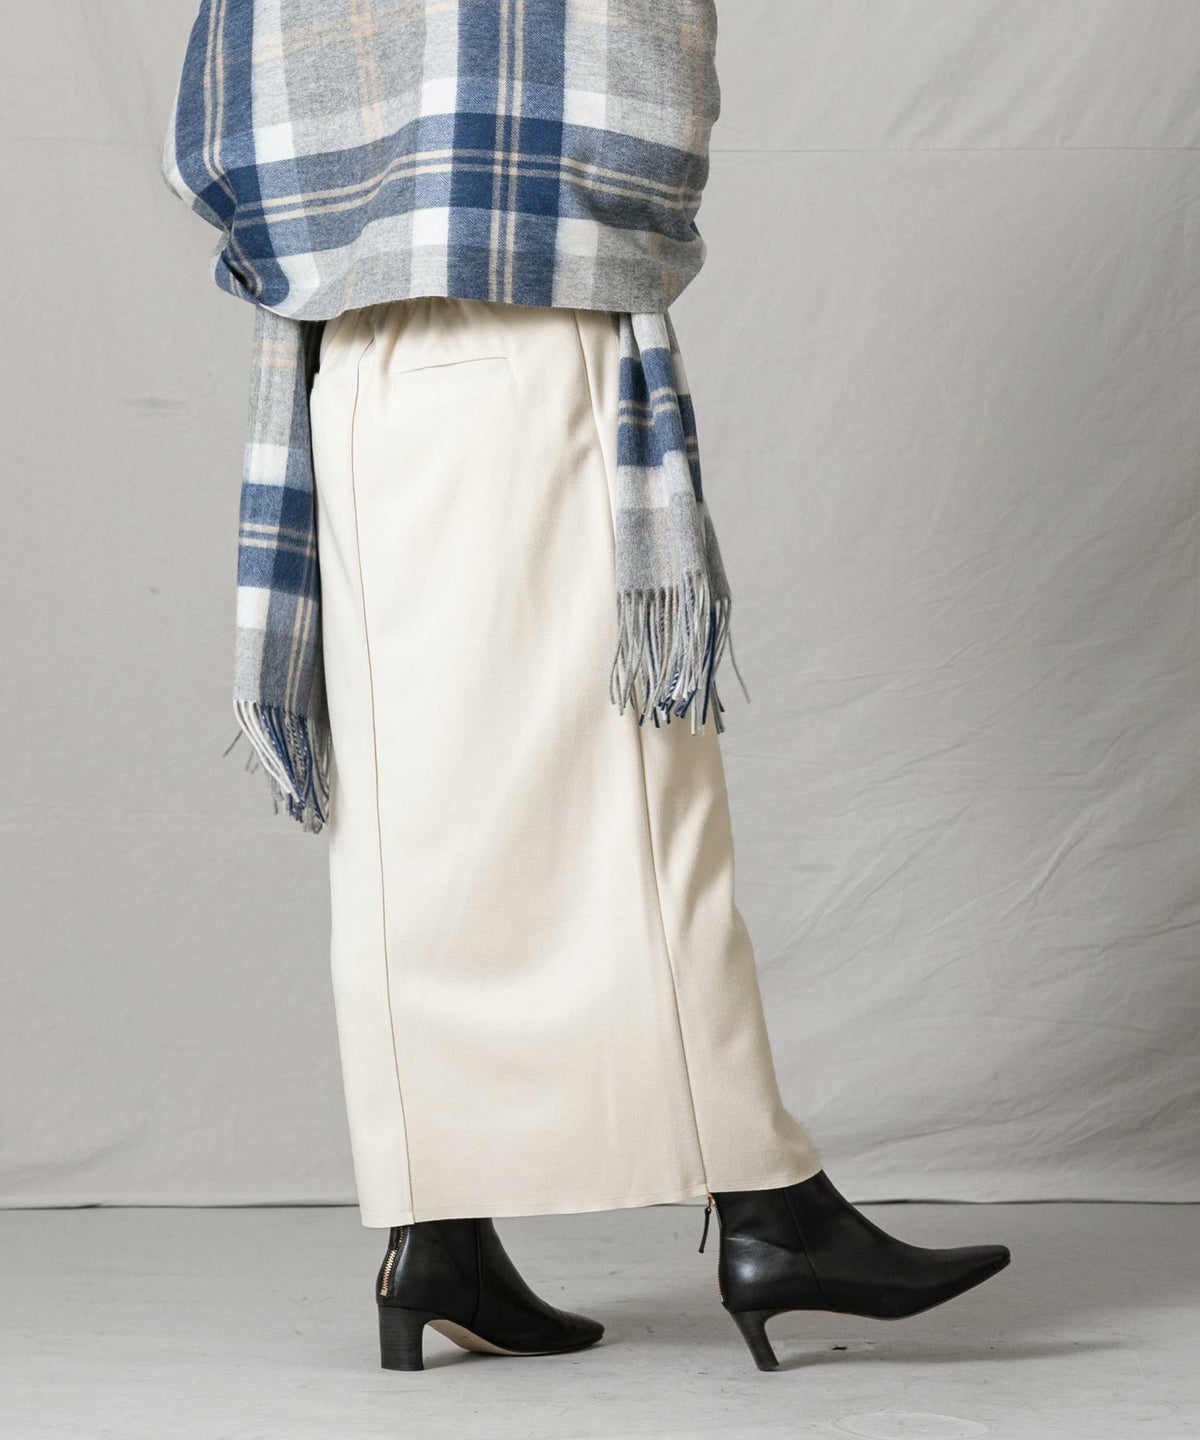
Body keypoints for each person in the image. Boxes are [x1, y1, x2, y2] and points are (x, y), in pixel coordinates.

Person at [161, 1, 1010, 1373]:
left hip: (354, 367)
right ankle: (772, 1212)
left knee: (415, 820)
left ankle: (437, 1236)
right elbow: (637, 73)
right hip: (523, 327)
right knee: (645, 798)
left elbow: (214, 136)